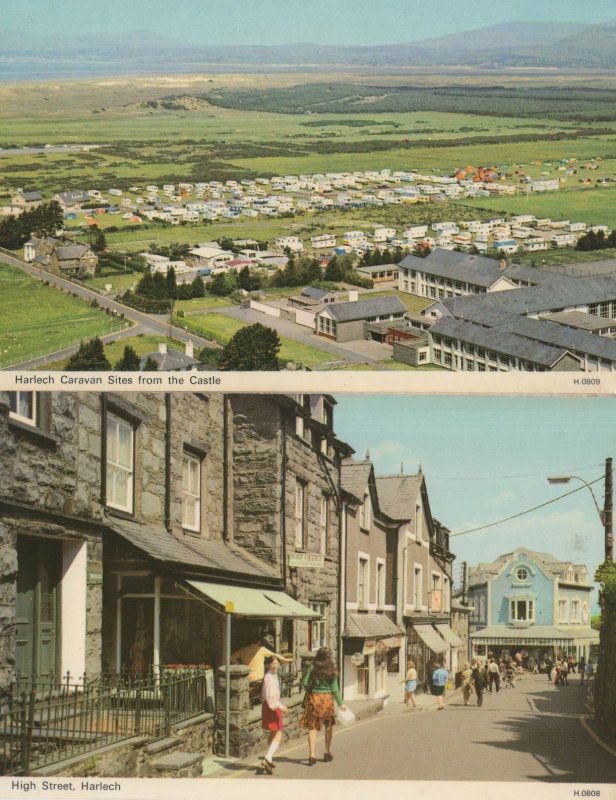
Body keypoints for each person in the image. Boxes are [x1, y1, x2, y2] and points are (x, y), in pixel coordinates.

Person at [299, 647, 347, 765]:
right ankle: (326, 752)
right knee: (328, 726)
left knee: (312, 727)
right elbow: (335, 689)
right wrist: (341, 704)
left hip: (314, 699)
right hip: (327, 701)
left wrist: (312, 683)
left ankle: (312, 755)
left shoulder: (312, 668)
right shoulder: (332, 670)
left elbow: (304, 683)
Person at [260, 656, 288, 774]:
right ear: (268, 665)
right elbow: (271, 697)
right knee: (279, 732)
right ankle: (268, 756)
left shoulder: (272, 675)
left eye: (277, 663)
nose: (275, 666)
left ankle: (269, 757)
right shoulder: (269, 677)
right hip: (272, 706)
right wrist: (282, 707)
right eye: (273, 664)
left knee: (273, 732)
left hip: (268, 705)